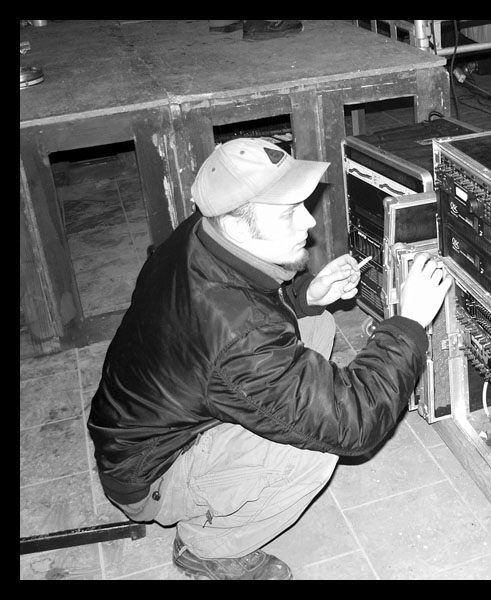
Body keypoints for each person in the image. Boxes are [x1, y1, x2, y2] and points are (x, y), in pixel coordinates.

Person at [87, 138, 452, 580]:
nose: (309, 221)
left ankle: (249, 431)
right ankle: (206, 548)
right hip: (152, 472)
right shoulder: (237, 333)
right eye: (287, 212)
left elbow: (247, 302)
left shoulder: (200, 232)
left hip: (152, 416)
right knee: (315, 449)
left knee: (316, 323)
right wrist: (410, 323)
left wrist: (306, 295)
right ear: (236, 224)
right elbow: (353, 424)